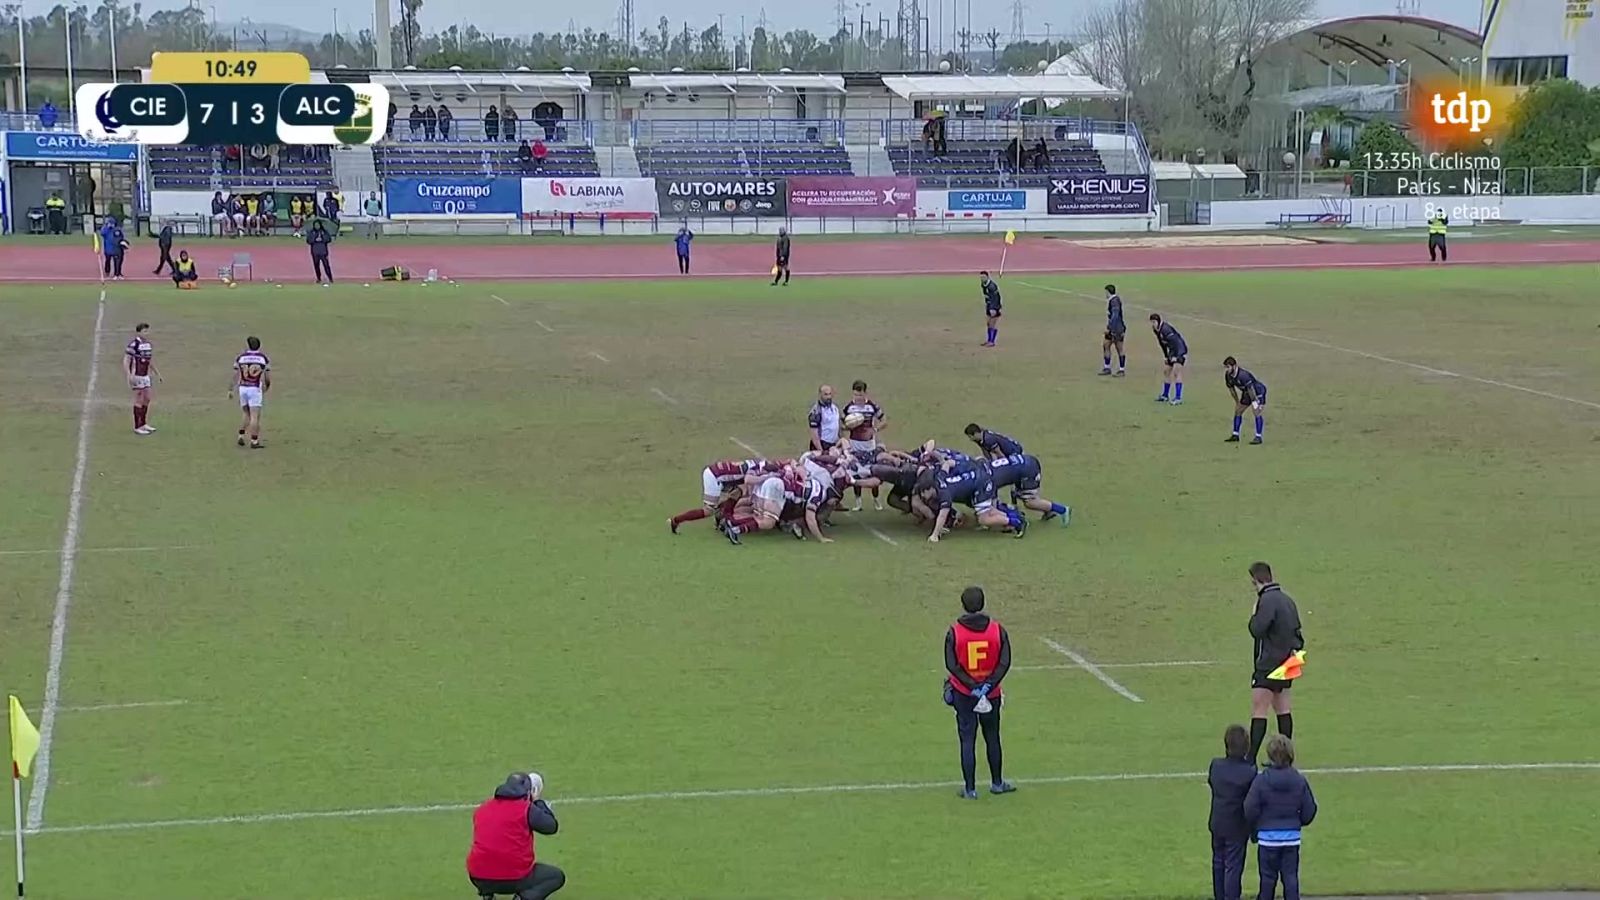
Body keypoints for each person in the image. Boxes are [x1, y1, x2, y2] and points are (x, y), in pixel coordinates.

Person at [944, 586, 1016, 799]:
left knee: (967, 739)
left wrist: (972, 686)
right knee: (992, 736)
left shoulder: (954, 632)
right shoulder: (997, 630)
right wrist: (988, 685)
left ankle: (970, 789)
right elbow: (1005, 662)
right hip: (991, 694)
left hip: (964, 694)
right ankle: (996, 782)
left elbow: (952, 664)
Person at [466, 772, 566, 900]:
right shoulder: (525, 809)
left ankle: (487, 894)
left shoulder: (483, 809)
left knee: (488, 856)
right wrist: (538, 802)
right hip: (514, 877)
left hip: (478, 876)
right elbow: (551, 827)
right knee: (555, 877)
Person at [1244, 736, 1317, 900]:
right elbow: (1309, 810)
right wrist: (1297, 822)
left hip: (1267, 839)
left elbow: (1249, 808)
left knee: (1267, 881)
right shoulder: (1299, 780)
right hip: (1291, 839)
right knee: (1291, 879)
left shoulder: (1261, 780)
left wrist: (1258, 826)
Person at [1246, 562, 1303, 764]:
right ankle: (1285, 757)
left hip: (1269, 663)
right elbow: (1298, 633)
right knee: (1283, 708)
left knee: (1259, 708)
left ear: (1257, 581)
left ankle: (1250, 758)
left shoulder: (1266, 601)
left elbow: (1257, 629)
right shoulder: (1288, 601)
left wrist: (1254, 614)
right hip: (1289, 660)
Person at [1208, 724, 1256, 900]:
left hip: (1218, 823)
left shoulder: (1216, 766)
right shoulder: (1249, 772)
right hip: (1236, 826)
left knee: (1218, 862)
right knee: (1233, 867)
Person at [841, 380, 886, 511]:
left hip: (869, 444)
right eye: (855, 395)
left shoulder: (872, 406)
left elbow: (884, 420)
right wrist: (848, 426)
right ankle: (858, 502)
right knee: (856, 471)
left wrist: (875, 429)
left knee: (872, 470)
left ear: (865, 393)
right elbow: (842, 424)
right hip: (855, 444)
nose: (858, 398)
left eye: (860, 395)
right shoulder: (849, 407)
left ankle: (876, 500)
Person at [229, 336, 271, 449]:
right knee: (254, 416)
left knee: (245, 413)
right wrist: (267, 386)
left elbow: (236, 374)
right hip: (255, 388)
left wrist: (231, 388)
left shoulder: (241, 358)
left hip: (243, 387)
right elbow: (267, 377)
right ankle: (254, 441)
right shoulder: (263, 358)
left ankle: (241, 435)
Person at [124, 322, 160, 435]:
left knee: (147, 398)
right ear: (138, 332)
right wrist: (129, 374)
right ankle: (137, 426)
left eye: (147, 331)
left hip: (145, 376)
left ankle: (144, 423)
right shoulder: (133, 345)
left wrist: (157, 373)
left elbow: (149, 360)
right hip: (137, 375)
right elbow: (126, 360)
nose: (147, 333)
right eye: (144, 331)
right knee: (139, 399)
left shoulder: (148, 345)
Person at [1223, 357, 1267, 444]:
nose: (1227, 370)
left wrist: (1255, 403)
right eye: (1226, 367)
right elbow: (1232, 390)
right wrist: (1237, 402)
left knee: (1256, 412)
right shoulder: (1228, 376)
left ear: (1234, 366)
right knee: (1238, 411)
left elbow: (1251, 389)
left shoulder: (1243, 375)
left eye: (1228, 367)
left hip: (1257, 392)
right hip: (1247, 393)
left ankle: (1258, 437)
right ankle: (1235, 435)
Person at [1150, 313, 1188, 404]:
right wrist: (1166, 356)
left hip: (1180, 349)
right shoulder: (1156, 330)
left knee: (1176, 372)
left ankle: (1178, 398)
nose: (1153, 324)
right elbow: (1162, 344)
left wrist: (1177, 356)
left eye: (1154, 322)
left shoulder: (1166, 329)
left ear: (1158, 321)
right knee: (1167, 371)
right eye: (1151, 322)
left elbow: (1177, 342)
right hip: (1171, 350)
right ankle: (1165, 395)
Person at [1100, 284, 1127, 376]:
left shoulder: (1114, 301)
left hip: (1117, 329)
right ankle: (1107, 367)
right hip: (1113, 328)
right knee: (1106, 345)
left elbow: (1115, 315)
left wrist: (1109, 328)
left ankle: (1121, 369)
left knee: (1119, 348)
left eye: (1106, 292)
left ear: (1108, 292)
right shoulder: (1112, 300)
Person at [808, 384, 841, 452]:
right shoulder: (816, 412)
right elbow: (814, 436)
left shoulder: (835, 408)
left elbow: (838, 426)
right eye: (825, 394)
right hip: (822, 444)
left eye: (830, 394)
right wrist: (821, 451)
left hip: (833, 444)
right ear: (820, 395)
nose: (829, 397)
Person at [307, 220, 334, 284]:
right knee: (316, 266)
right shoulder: (312, 232)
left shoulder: (324, 232)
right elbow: (308, 240)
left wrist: (322, 238)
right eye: (315, 225)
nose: (317, 226)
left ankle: (330, 278)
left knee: (326, 265)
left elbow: (329, 239)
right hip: (315, 252)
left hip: (323, 252)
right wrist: (314, 239)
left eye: (318, 225)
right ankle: (318, 278)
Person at [980, 271, 1002, 347]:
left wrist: (994, 309)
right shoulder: (983, 284)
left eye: (983, 277)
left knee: (992, 324)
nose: (982, 279)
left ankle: (992, 341)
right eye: (981, 277)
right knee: (988, 323)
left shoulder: (992, 286)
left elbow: (996, 298)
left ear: (987, 277)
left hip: (994, 307)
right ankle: (989, 340)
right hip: (989, 305)